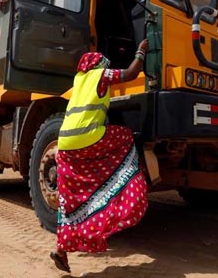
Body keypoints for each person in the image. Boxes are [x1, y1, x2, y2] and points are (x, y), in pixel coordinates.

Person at [50, 39, 150, 273]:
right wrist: (141, 50)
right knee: (126, 137)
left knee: (70, 199)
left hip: (65, 144)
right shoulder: (101, 76)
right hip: (88, 138)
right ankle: (126, 185)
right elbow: (132, 73)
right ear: (99, 65)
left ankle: (61, 250)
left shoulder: (79, 79)